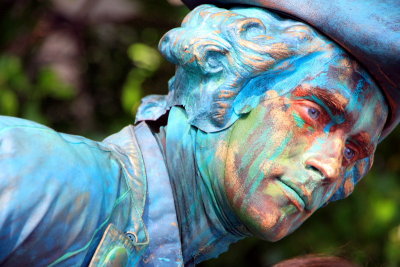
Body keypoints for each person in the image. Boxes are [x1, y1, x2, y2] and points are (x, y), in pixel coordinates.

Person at [0, 1, 398, 267]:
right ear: (223, 80)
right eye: (313, 112)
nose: (329, 166)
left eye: (352, 151)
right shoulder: (39, 174)